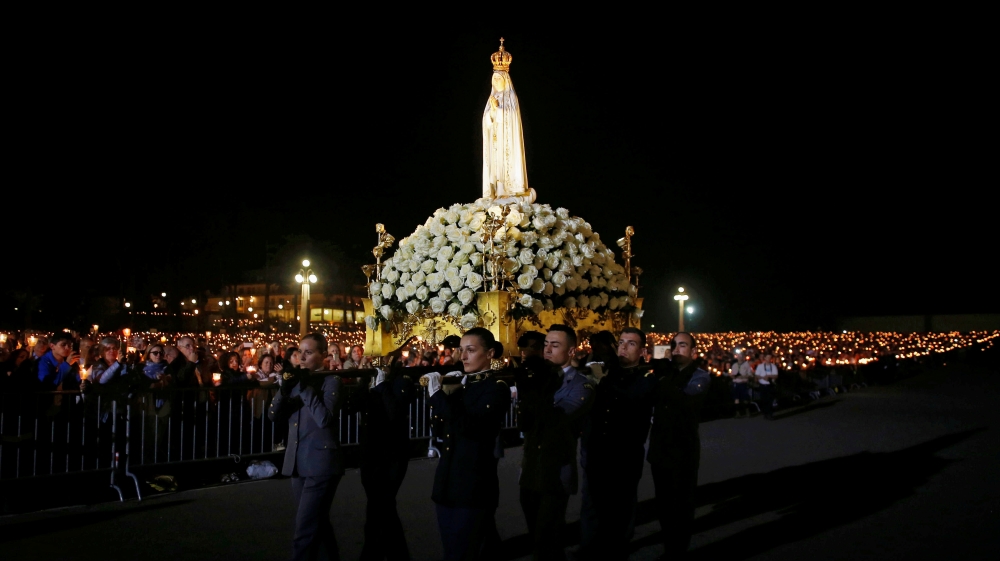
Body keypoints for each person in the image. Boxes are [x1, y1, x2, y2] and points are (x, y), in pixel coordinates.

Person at [424, 328, 511, 561]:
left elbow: (470, 427)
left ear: (490, 353)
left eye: (471, 350)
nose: (463, 356)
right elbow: (442, 428)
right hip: (448, 484)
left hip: (473, 486)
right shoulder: (464, 385)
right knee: (453, 551)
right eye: (461, 350)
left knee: (462, 553)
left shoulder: (496, 388)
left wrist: (437, 396)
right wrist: (449, 391)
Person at [577, 327, 658, 561]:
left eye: (631, 344)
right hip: (597, 449)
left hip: (624, 453)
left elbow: (632, 400)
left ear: (642, 351)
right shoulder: (606, 372)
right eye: (621, 342)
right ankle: (590, 546)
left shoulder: (646, 378)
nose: (623, 347)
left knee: (620, 506)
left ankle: (617, 548)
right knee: (593, 502)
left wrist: (602, 382)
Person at [517, 324, 594, 560]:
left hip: (555, 470)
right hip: (531, 468)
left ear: (571, 351)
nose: (547, 350)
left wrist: (536, 390)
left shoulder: (582, 384)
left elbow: (558, 419)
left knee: (547, 540)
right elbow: (525, 422)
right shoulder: (540, 376)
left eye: (555, 345)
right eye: (546, 345)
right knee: (537, 538)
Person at [268, 333, 345, 561]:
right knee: (317, 525)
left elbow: (324, 419)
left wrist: (303, 387)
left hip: (320, 464)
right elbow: (273, 416)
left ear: (323, 355)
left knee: (304, 531)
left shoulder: (331, 381)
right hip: (298, 463)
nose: (301, 357)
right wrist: (284, 389)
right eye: (299, 352)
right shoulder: (295, 381)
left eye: (308, 352)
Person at [647, 332, 711, 557]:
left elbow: (684, 401)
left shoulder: (699, 376)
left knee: (682, 504)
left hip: (683, 449)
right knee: (663, 503)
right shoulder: (663, 374)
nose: (675, 349)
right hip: (660, 448)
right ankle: (669, 543)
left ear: (693, 352)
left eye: (682, 345)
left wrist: (662, 377)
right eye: (673, 345)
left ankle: (678, 548)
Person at [347, 358, 417, 561]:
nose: (378, 362)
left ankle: (375, 554)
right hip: (370, 452)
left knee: (383, 504)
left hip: (392, 453)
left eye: (383, 359)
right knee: (376, 506)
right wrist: (363, 381)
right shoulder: (371, 381)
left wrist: (382, 385)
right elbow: (351, 407)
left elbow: (394, 412)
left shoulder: (401, 382)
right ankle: (384, 553)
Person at [482, 39, 536, 204]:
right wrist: (491, 113)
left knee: (507, 165)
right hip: (496, 143)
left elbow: (511, 118)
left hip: (508, 143)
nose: (496, 82)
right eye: (494, 79)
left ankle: (511, 190)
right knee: (496, 168)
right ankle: (498, 192)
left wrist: (497, 110)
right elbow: (486, 122)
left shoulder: (510, 98)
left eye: (499, 79)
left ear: (505, 80)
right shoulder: (493, 98)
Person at [755, 353, 779, 420]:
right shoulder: (760, 366)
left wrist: (769, 376)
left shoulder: (773, 366)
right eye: (767, 358)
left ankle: (770, 414)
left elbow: (776, 375)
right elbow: (757, 375)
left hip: (770, 385)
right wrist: (762, 377)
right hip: (762, 385)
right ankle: (765, 413)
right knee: (764, 400)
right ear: (765, 358)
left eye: (770, 358)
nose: (768, 359)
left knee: (770, 400)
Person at [729, 353, 753, 418]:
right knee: (736, 398)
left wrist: (743, 377)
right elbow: (732, 373)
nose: (740, 358)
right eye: (739, 356)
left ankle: (747, 411)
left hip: (743, 383)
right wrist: (732, 376)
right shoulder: (734, 365)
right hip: (736, 383)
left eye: (741, 356)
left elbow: (750, 375)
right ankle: (738, 413)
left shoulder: (747, 365)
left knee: (745, 398)